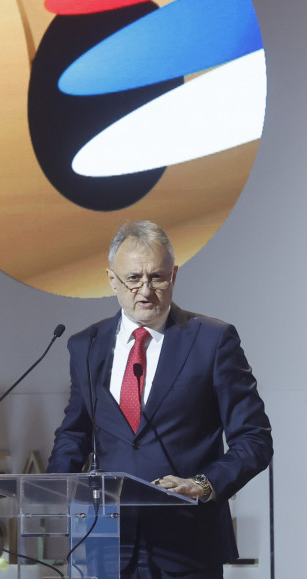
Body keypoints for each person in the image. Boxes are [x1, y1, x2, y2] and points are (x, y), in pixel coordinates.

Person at [48, 220, 272, 579]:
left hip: (186, 543)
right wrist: (54, 487)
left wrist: (202, 484)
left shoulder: (212, 341)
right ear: (111, 280)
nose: (146, 290)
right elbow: (75, 433)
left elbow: (254, 439)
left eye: (157, 277)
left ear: (174, 276)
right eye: (133, 278)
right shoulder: (86, 346)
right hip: (108, 544)